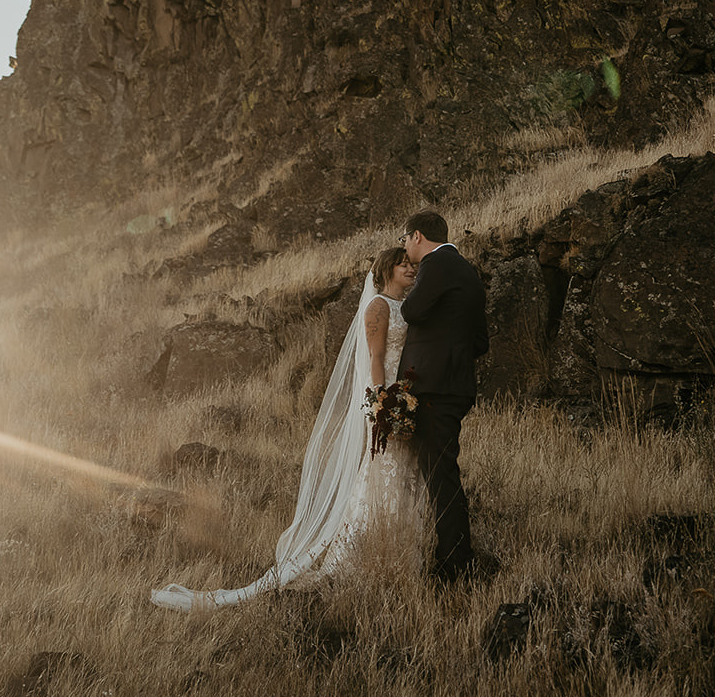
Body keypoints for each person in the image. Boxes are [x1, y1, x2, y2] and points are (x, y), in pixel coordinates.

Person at [150, 249, 424, 612]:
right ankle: (359, 556)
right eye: (403, 264)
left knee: (397, 473)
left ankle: (395, 550)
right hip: (385, 401)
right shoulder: (378, 308)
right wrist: (383, 403)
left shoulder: (405, 308)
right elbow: (374, 358)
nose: (410, 268)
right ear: (386, 269)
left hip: (402, 400)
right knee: (379, 473)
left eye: (412, 264)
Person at [399, 210, 494, 583]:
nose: (404, 247)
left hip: (435, 388)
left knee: (441, 478)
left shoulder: (437, 266)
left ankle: (456, 565)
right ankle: (455, 556)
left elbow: (411, 309)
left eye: (405, 239)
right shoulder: (467, 270)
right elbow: (481, 342)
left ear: (418, 235)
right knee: (443, 474)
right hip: (456, 387)